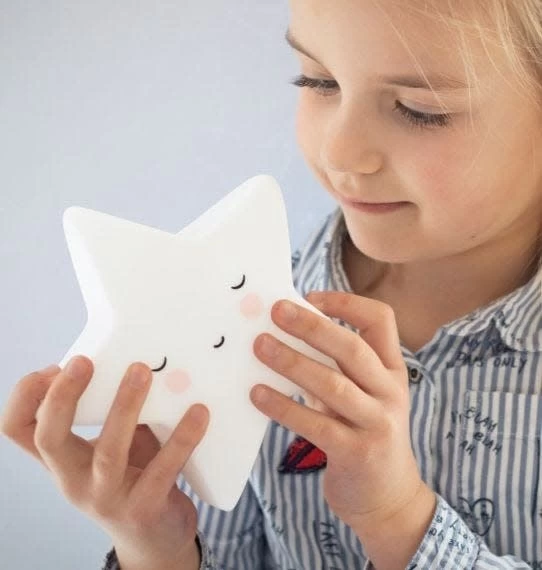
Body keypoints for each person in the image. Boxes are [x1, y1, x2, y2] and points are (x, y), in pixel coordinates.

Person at [2, 0, 542, 568]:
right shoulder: (243, 323)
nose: (338, 152)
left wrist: (398, 520)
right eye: (319, 81)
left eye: (420, 109)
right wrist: (158, 547)